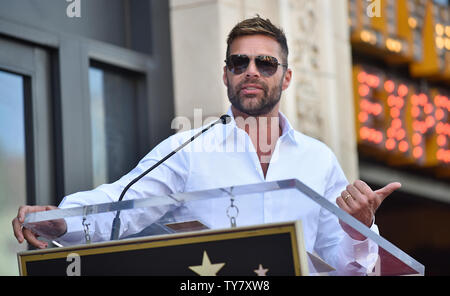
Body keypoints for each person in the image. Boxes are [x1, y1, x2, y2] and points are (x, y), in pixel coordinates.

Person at [12, 16, 401, 275]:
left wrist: (360, 227)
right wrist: (62, 219)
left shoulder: (319, 159)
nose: (251, 71)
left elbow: (345, 266)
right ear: (225, 75)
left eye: (266, 64)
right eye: (239, 63)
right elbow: (119, 206)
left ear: (286, 79)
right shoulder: (188, 149)